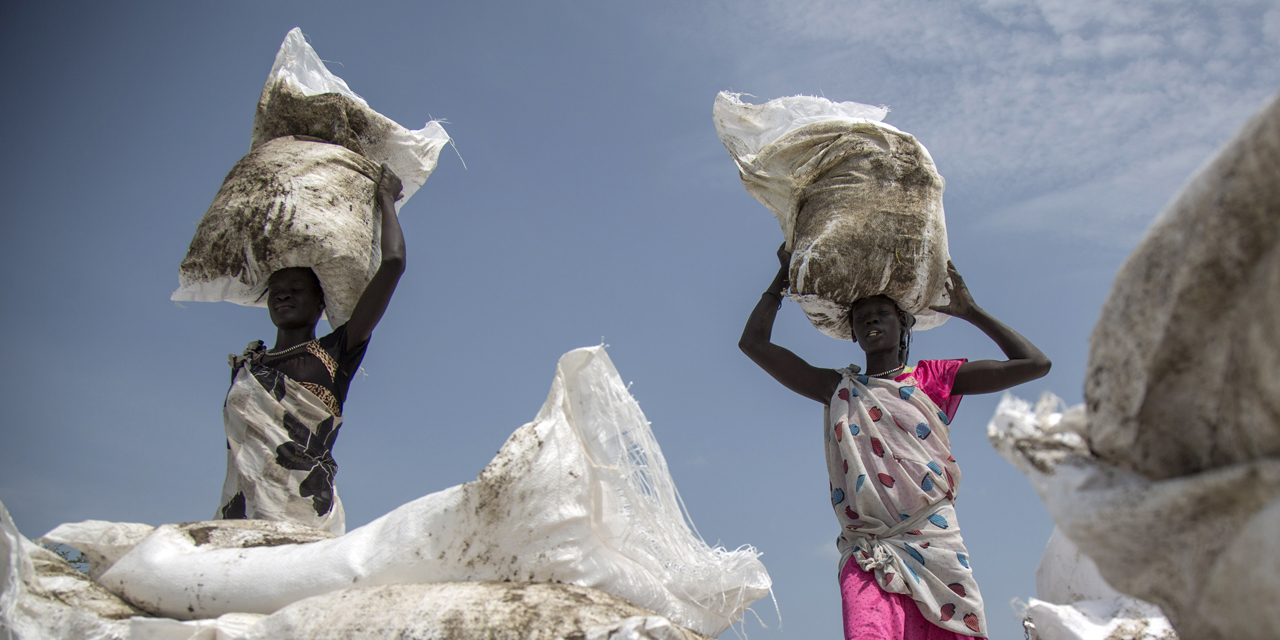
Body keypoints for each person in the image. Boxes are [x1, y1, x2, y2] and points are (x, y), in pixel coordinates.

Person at [739, 245, 1050, 640]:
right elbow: (754, 344)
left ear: (904, 324)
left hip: (934, 544)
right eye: (861, 316)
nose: (871, 318)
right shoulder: (837, 388)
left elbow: (1035, 365)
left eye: (882, 313)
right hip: (868, 550)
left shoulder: (932, 379)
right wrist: (781, 280)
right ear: (852, 333)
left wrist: (970, 311)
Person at [215, 164, 407, 535]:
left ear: (321, 302)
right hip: (241, 517)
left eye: (297, 289)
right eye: (276, 289)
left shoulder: (337, 350)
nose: (283, 294)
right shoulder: (249, 365)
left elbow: (394, 263)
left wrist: (387, 201)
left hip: (303, 514)